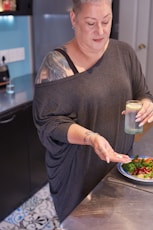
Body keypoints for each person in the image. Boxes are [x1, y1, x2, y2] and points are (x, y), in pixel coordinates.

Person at [33, 0, 153, 223]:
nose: (100, 31)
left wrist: (147, 103)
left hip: (119, 167)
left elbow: (143, 92)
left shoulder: (124, 53)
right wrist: (91, 138)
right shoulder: (56, 64)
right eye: (90, 23)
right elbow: (48, 124)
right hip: (77, 177)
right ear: (74, 19)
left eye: (106, 21)